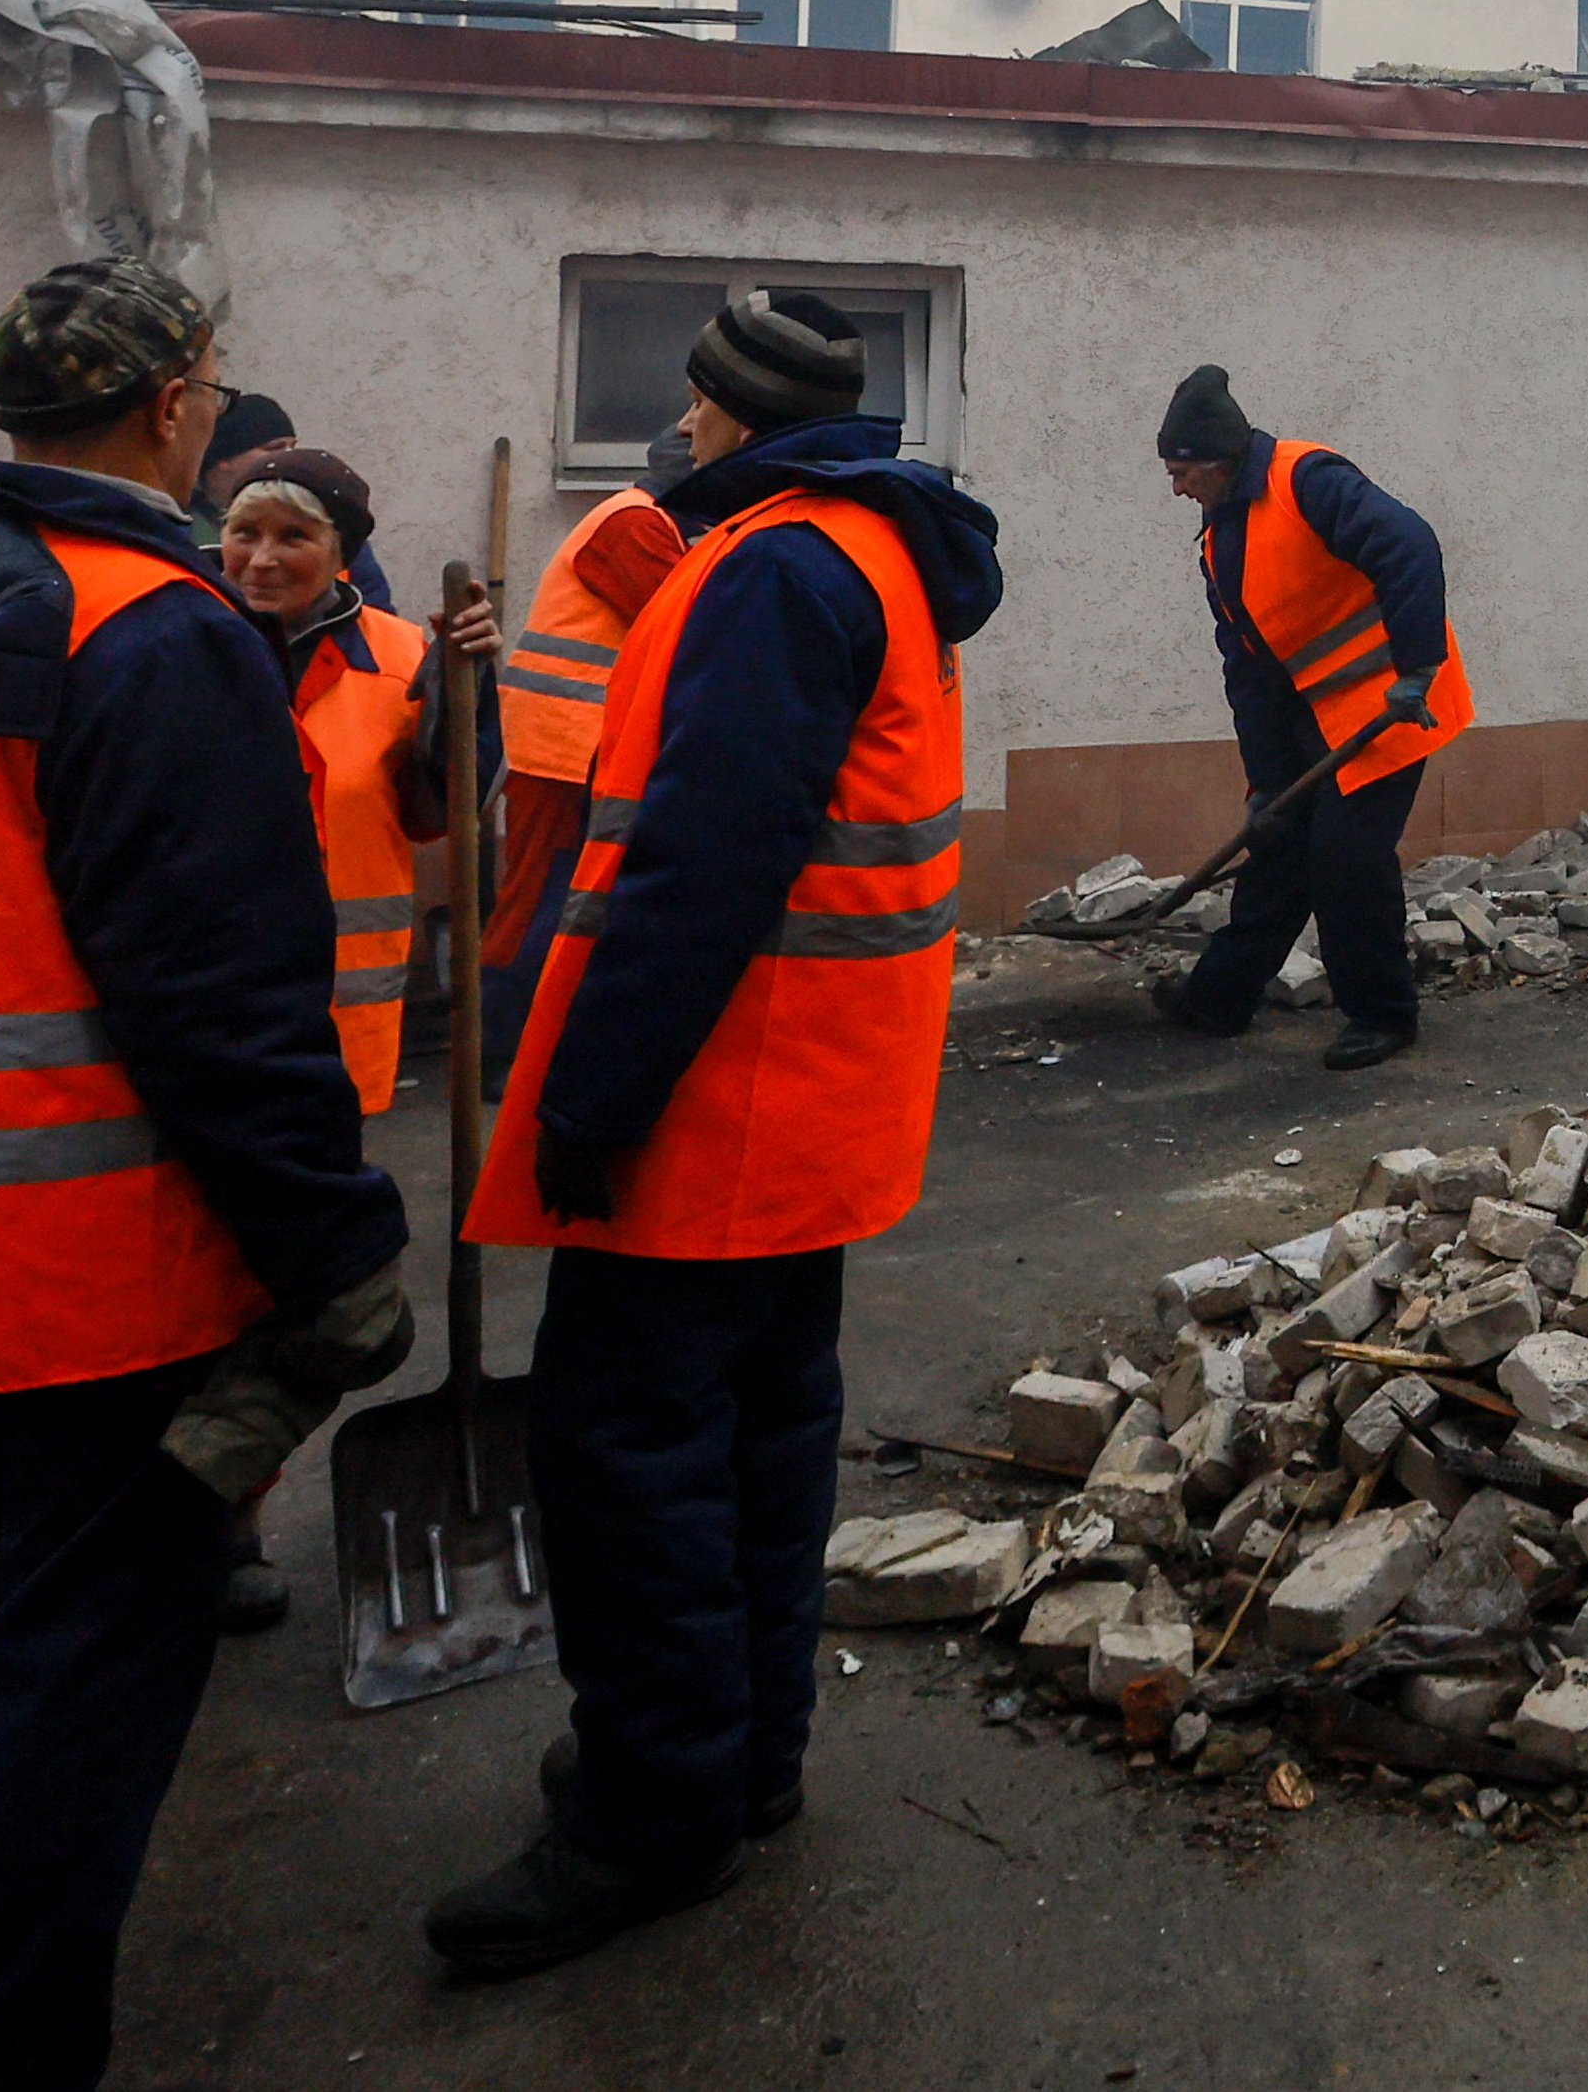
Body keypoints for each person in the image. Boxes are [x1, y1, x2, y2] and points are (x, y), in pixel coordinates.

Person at [0, 258, 411, 2092]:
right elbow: (217, 993)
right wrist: (338, 1245)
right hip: (100, 1282)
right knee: (64, 1726)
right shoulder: (148, 627)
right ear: (177, 400)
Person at [427, 287, 997, 1980]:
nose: (669, 437)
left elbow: (702, 864)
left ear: (729, 413)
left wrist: (593, 1095)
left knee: (634, 1467)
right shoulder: (871, 553)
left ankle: (647, 1817)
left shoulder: (768, 568)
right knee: (751, 1444)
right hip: (804, 1104)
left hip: (710, 1106)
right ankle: (737, 1763)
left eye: (685, 411)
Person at [199, 437, 496, 1632]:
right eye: (245, 533)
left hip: (338, 1030)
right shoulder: (176, 635)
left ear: (344, 554)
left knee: (290, 1289)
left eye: (293, 537)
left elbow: (438, 812)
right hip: (196, 1016)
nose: (262, 558)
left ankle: (226, 1514)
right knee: (187, 1281)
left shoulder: (404, 654)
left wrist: (469, 706)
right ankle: (175, 1514)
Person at [1144, 364, 1470, 1073]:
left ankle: (1383, 1013)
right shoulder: (1219, 536)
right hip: (1313, 716)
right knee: (1281, 841)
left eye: (1182, 471)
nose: (1176, 488)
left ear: (1219, 460)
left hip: (1394, 706)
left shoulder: (1308, 481)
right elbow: (1249, 670)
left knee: (1346, 860)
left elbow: (1411, 544)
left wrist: (1417, 667)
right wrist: (1265, 785)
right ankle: (1220, 996)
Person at [481, 472, 686, 1056]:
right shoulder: (635, 524)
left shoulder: (638, 519)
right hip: (564, 749)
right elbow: (689, 623)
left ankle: (518, 1046)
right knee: (540, 903)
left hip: (574, 746)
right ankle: (501, 1050)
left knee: (552, 901)